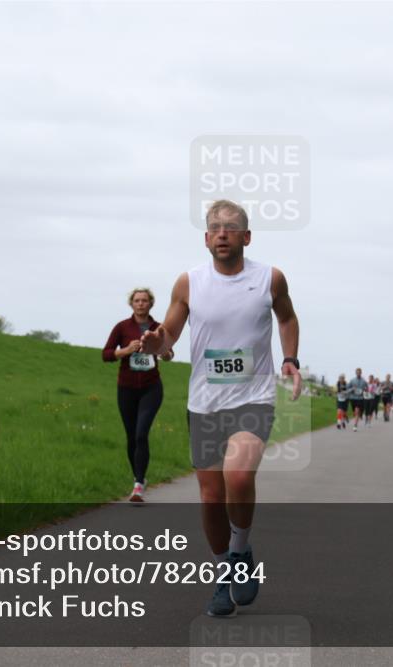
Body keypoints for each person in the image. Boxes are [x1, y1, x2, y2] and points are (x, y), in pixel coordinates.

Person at [140, 199, 301, 618]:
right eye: (215, 227)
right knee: (211, 500)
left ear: (246, 237)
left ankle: (240, 548)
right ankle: (229, 569)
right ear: (207, 238)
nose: (223, 233)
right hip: (205, 403)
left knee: (238, 474)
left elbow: (286, 319)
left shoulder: (270, 278)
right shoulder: (189, 283)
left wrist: (290, 359)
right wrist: (159, 344)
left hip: (253, 398)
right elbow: (169, 332)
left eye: (231, 227)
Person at [102, 288, 173, 502]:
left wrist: (160, 349)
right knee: (131, 436)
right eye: (137, 300)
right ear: (131, 304)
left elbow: (169, 355)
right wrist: (125, 350)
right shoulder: (122, 327)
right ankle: (138, 477)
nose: (140, 304)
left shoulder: (158, 327)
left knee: (142, 434)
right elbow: (106, 354)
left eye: (144, 301)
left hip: (151, 388)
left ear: (151, 304)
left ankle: (138, 485)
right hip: (126, 388)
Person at [347, 368, 368, 432]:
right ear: (356, 373)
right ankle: (355, 418)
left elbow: (366, 389)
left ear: (361, 373)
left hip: (360, 398)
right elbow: (348, 388)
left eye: (359, 372)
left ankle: (355, 425)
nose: (358, 373)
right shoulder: (352, 380)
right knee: (354, 412)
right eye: (357, 372)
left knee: (357, 411)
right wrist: (352, 389)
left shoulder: (364, 381)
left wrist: (364, 390)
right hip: (353, 398)